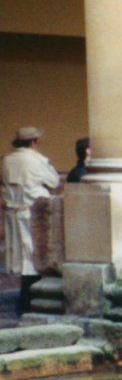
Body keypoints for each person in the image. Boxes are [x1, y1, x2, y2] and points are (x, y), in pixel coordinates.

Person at [2, 126, 62, 314]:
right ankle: (29, 298)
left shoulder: (6, 161)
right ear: (34, 142)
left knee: (20, 254)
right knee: (34, 254)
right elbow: (53, 182)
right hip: (33, 213)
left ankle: (25, 298)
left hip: (12, 213)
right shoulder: (37, 161)